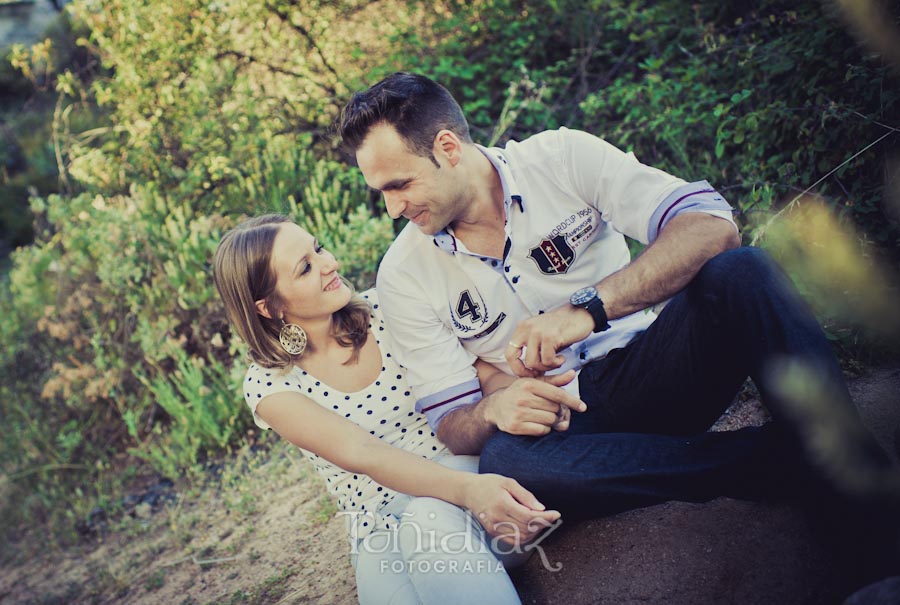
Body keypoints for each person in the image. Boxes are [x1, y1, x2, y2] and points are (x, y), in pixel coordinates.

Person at [337, 72, 898, 583]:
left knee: (741, 270)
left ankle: (851, 479)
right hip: (573, 424)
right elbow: (449, 420)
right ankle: (777, 458)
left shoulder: (560, 157)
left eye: (399, 185)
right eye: (382, 191)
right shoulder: (403, 274)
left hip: (656, 366)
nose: (392, 208)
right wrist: (491, 411)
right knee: (508, 461)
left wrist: (587, 309)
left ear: (448, 148)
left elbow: (709, 225)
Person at [212, 214, 559, 605]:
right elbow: (362, 453)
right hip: (377, 526)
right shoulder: (270, 385)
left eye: (319, 248)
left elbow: (477, 375)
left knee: (427, 521)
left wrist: (519, 397)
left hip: (465, 481)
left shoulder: (387, 309)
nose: (330, 264)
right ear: (269, 306)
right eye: (306, 268)